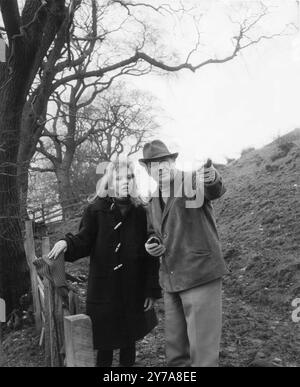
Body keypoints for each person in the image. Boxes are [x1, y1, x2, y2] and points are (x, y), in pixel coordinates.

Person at [48, 157, 161, 367]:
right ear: (110, 182)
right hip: (104, 289)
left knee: (129, 343)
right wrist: (66, 242)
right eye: (120, 178)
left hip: (132, 288)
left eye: (129, 177)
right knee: (105, 346)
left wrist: (151, 290)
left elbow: (150, 256)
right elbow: (84, 239)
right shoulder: (96, 209)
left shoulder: (140, 212)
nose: (126, 182)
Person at [140, 140, 229, 367]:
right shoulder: (152, 198)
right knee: (176, 353)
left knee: (203, 355)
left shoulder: (191, 180)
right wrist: (152, 243)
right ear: (147, 171)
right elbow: (155, 232)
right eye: (152, 165)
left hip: (200, 275)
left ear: (172, 161)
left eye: (163, 162)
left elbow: (213, 189)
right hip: (171, 280)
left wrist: (211, 178)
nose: (159, 168)